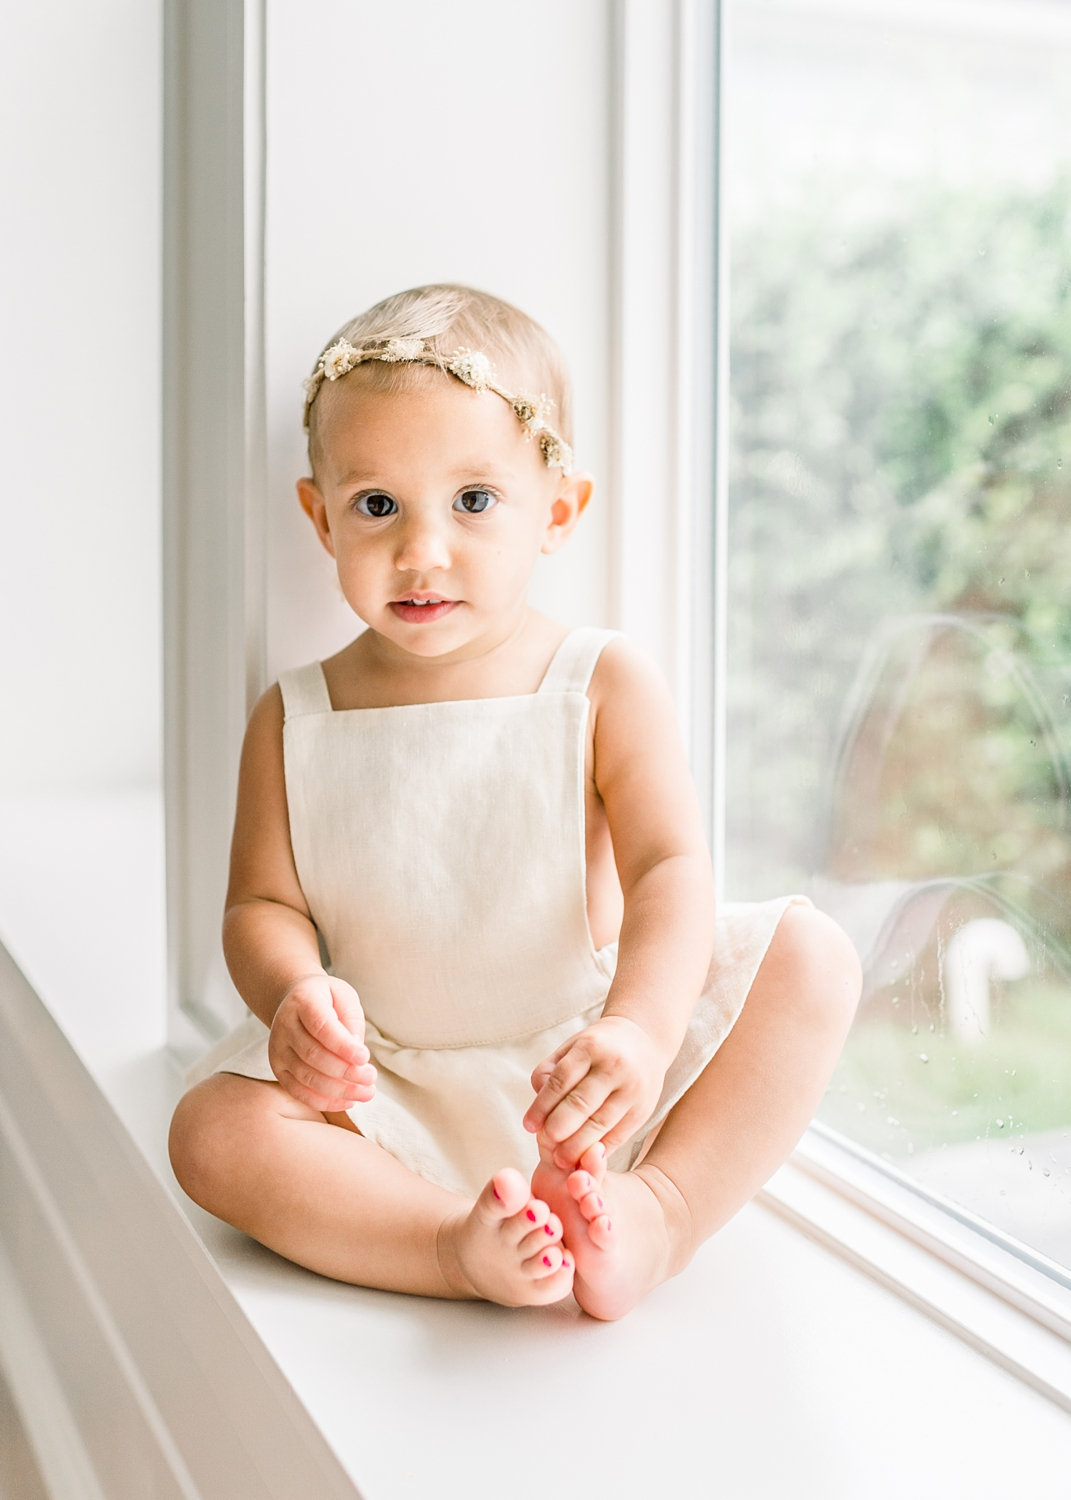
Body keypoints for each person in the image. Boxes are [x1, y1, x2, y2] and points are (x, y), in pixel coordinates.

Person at [169, 283, 861, 1321]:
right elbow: (260, 906)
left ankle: (656, 1210)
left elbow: (670, 871)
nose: (423, 551)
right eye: (377, 506)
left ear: (560, 511)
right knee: (210, 1134)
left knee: (813, 960)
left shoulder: (599, 683)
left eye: (475, 502)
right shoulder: (293, 715)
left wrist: (638, 1029)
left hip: (580, 1070)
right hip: (383, 1092)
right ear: (319, 517)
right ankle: (445, 1244)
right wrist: (292, 999)